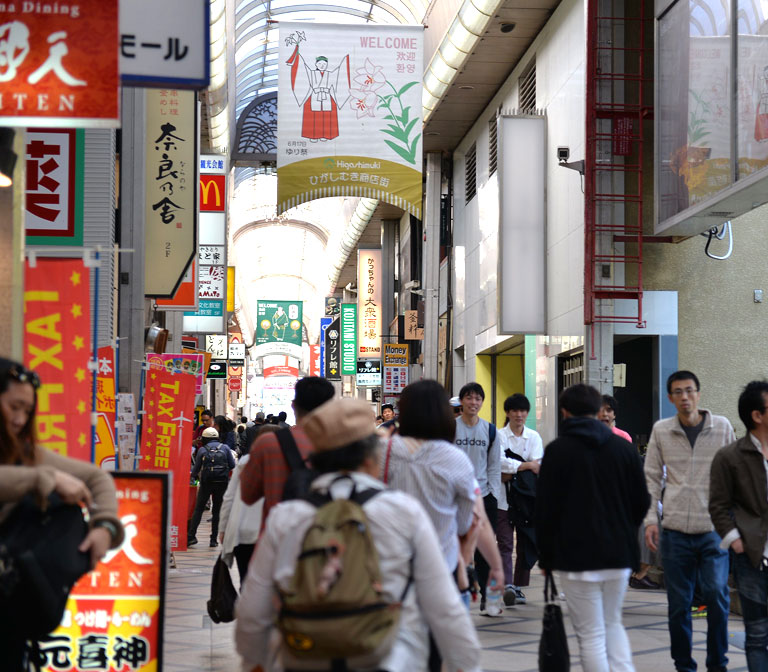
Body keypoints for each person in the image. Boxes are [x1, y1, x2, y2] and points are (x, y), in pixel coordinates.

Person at [235, 398, 482, 672]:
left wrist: (254, 661)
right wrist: (467, 665)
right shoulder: (403, 512)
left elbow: (252, 611)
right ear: (372, 456)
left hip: (305, 657)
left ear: (315, 458)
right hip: (392, 659)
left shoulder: (286, 518)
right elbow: (444, 606)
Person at [0, 358, 125, 669]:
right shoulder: (34, 467)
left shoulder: (28, 455)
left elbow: (97, 478)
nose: (19, 419)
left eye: (27, 411)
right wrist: (45, 479)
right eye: (14, 407)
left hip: (9, 611)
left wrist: (105, 527)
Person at [535, 383, 650, 672]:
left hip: (575, 558)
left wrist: (546, 556)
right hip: (619, 555)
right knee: (613, 623)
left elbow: (546, 510)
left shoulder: (557, 452)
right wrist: (625, 531)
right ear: (598, 410)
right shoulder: (623, 448)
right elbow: (641, 501)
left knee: (590, 634)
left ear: (564, 412)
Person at [644, 370, 735, 672]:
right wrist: (651, 520)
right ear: (670, 398)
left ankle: (717, 664)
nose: (685, 397)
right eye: (678, 392)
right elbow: (652, 478)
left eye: (690, 391)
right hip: (674, 533)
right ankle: (684, 666)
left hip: (714, 531)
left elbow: (734, 475)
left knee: (717, 598)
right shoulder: (661, 430)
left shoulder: (721, 427)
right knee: (679, 606)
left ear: (698, 393)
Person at [710, 380, 768, 672]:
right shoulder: (730, 456)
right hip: (752, 560)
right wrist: (735, 540)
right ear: (757, 416)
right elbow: (718, 505)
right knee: (757, 635)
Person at [240, 377, 334, 524]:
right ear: (331, 407)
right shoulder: (347, 445)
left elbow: (247, 496)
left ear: (293, 406)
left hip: (278, 539)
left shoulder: (268, 443)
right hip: (330, 539)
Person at [454, 382, 501, 615]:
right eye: (469, 398)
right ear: (461, 401)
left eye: (478, 399)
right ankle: (457, 593)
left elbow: (494, 466)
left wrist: (493, 494)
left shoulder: (491, 431)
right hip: (456, 498)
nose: (474, 402)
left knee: (485, 550)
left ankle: (489, 598)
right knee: (456, 547)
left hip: (484, 496)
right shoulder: (450, 429)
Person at [497, 393, 543, 606]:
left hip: (526, 500)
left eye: (523, 411)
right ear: (508, 413)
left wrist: (514, 469)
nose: (519, 414)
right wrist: (524, 466)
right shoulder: (499, 436)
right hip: (503, 500)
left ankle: (518, 586)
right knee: (505, 543)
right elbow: (499, 464)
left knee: (525, 543)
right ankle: (507, 585)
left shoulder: (534, 437)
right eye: (515, 410)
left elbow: (537, 465)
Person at [219, 424, 275, 583]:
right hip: (269, 532)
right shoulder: (284, 462)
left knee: (246, 581)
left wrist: (223, 529)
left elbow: (228, 498)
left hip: (242, 532)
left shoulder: (245, 461)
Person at [188, 427, 236, 547]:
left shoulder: (202, 450)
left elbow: (196, 469)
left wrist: (193, 476)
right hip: (222, 483)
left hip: (206, 483)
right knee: (217, 511)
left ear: (205, 438)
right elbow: (232, 464)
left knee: (198, 509)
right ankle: (213, 540)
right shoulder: (225, 448)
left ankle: (191, 536)